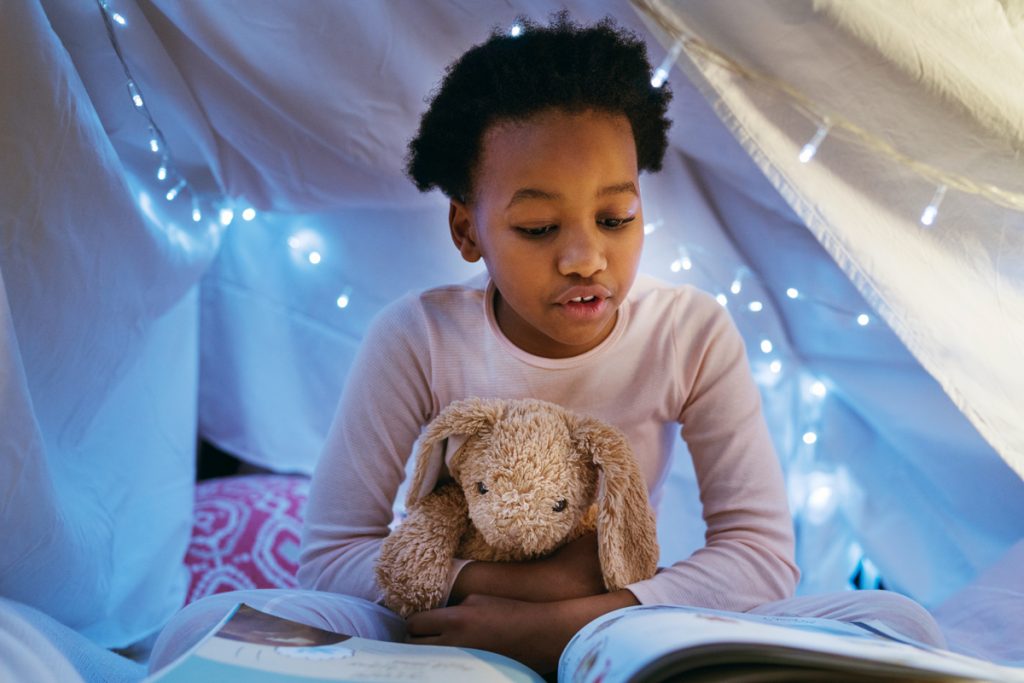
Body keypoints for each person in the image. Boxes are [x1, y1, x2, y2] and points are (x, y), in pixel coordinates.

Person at [149, 12, 945, 677]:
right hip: (442, 620)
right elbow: (330, 556)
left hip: (616, 624)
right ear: (468, 229)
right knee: (203, 626)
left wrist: (568, 620)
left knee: (897, 618)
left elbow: (761, 556)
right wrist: (485, 590)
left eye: (615, 217)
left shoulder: (690, 332)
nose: (585, 257)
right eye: (537, 227)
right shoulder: (417, 335)